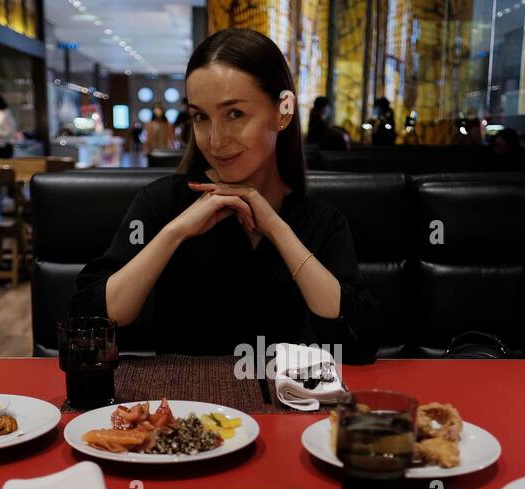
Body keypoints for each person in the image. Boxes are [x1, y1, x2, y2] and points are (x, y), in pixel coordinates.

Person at [71, 28, 375, 362]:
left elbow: (359, 342)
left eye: (235, 114)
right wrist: (175, 232)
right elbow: (91, 322)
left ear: (282, 112)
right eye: (201, 117)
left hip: (285, 408)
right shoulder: (162, 202)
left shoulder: (321, 220)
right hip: (185, 408)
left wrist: (277, 228)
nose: (215, 141)